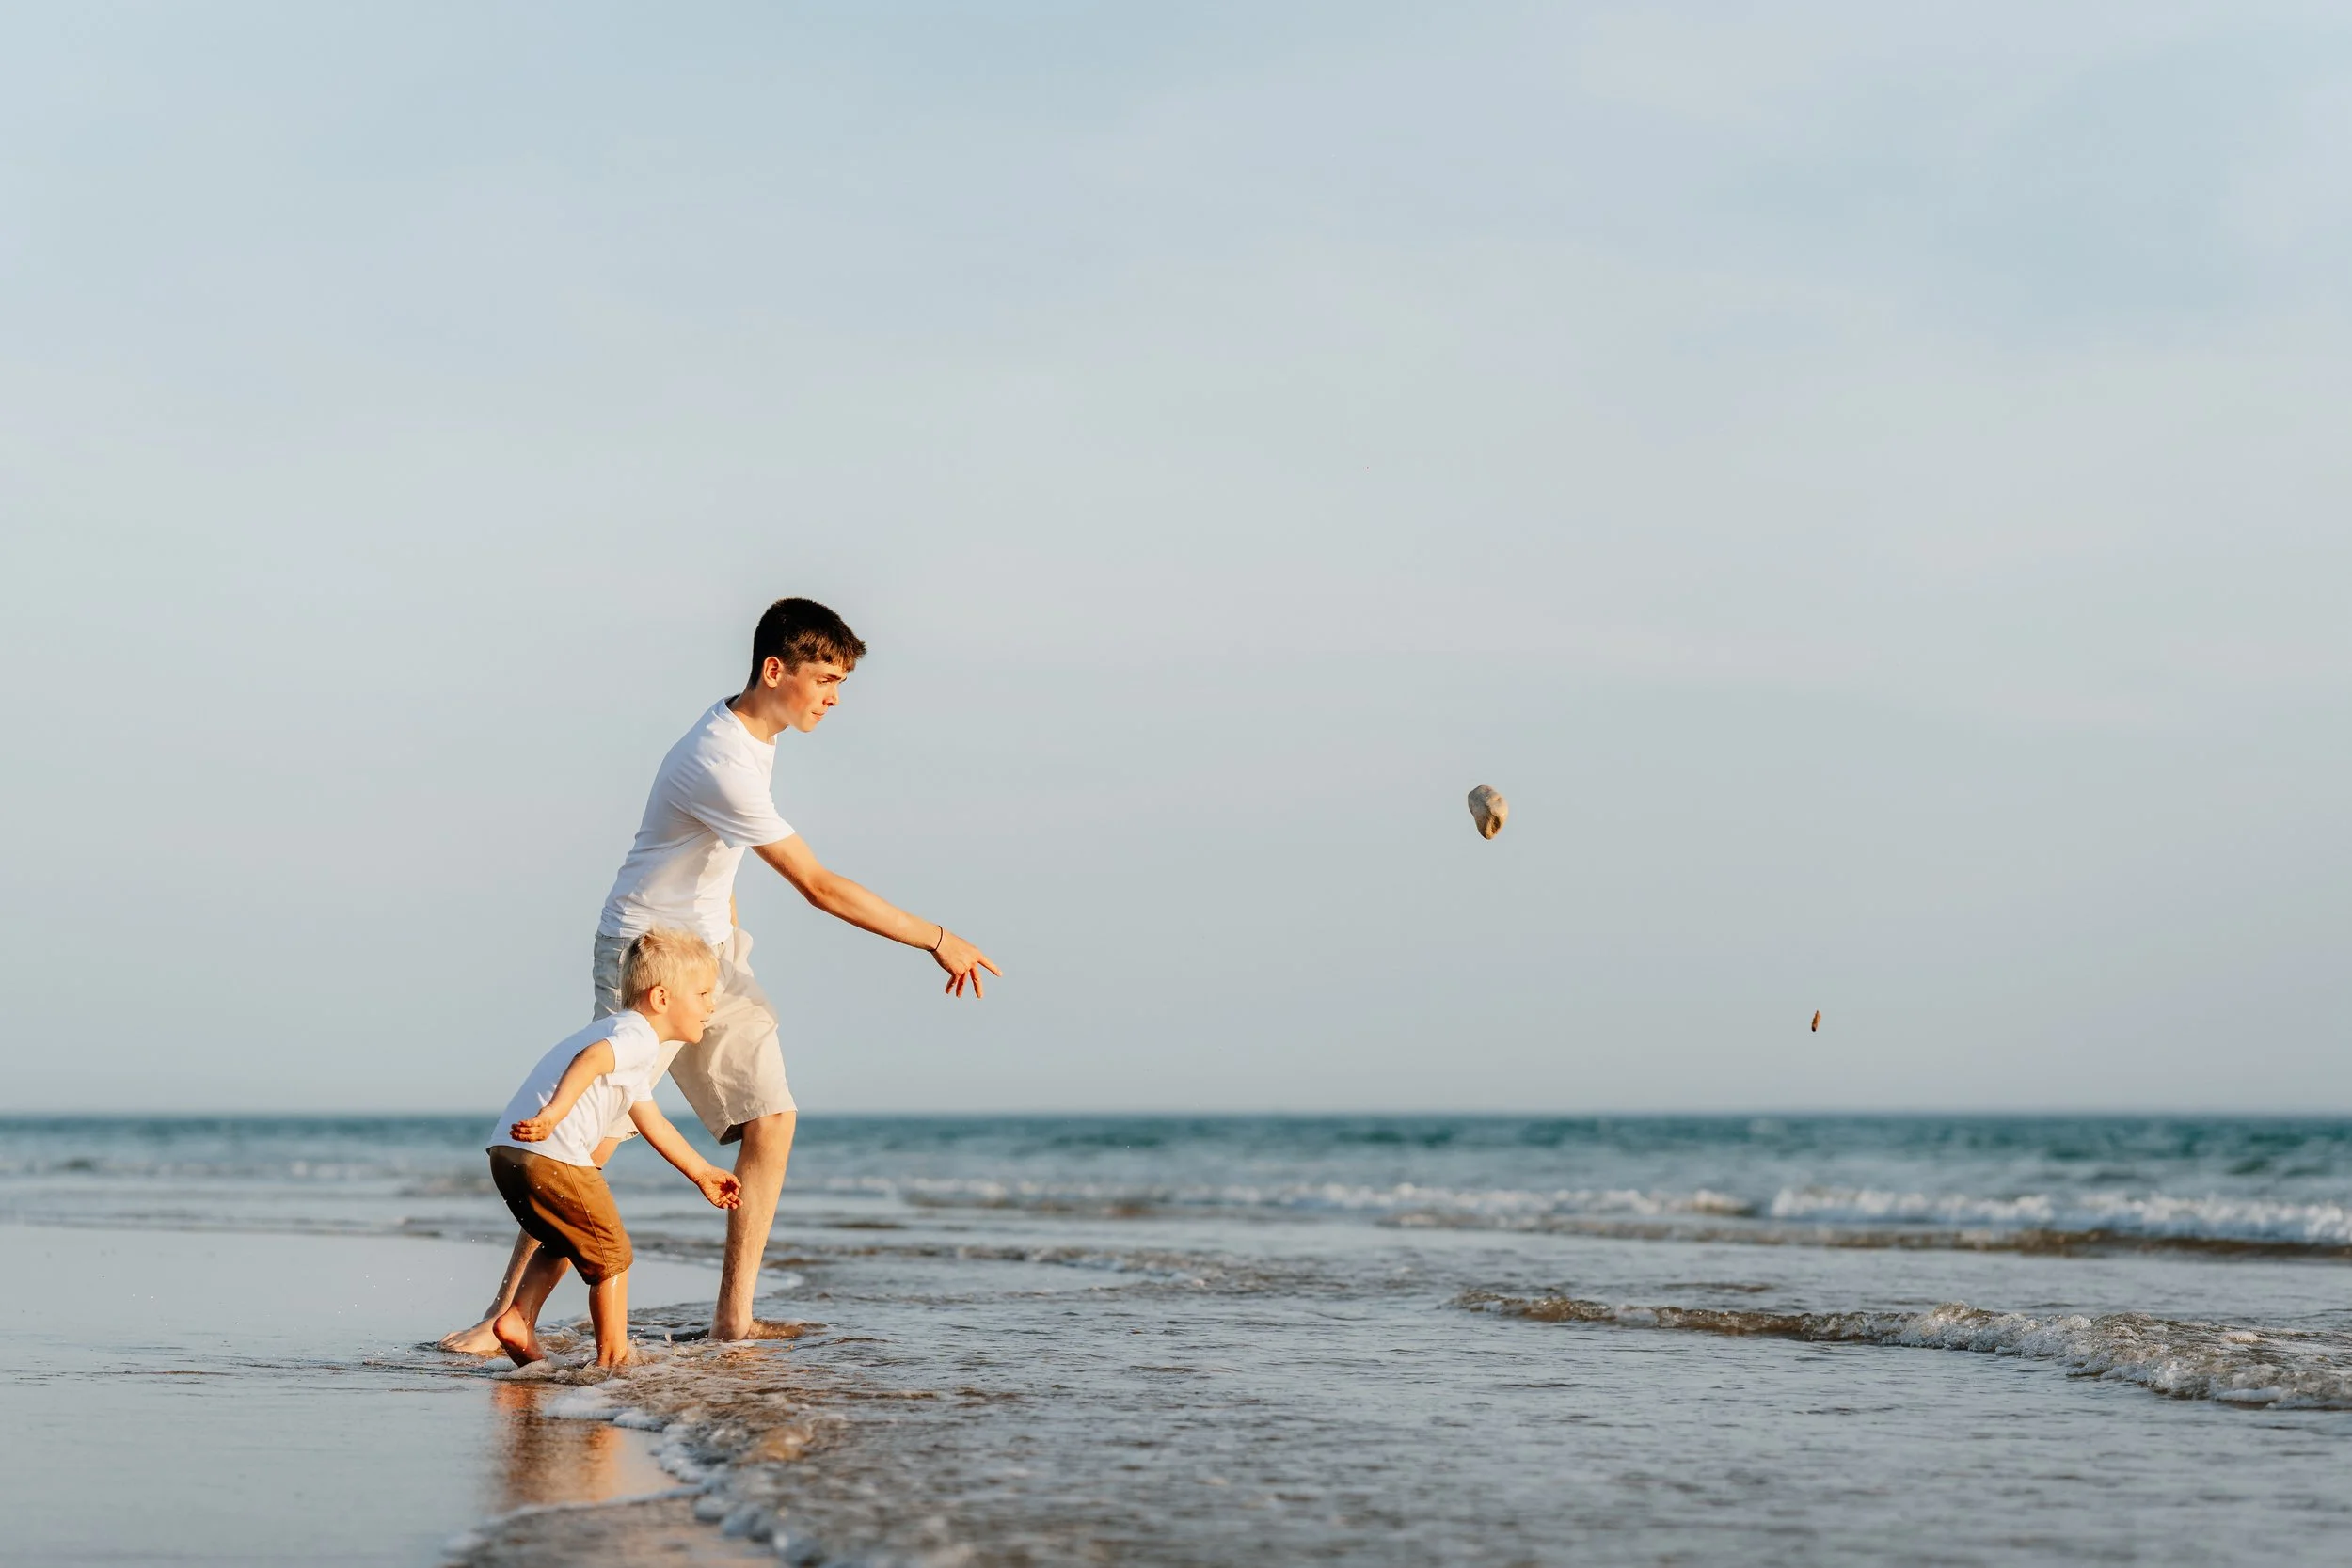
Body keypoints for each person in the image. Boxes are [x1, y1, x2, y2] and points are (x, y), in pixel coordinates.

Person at [444, 597, 1000, 1352]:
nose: (835, 697)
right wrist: (937, 937)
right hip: (647, 955)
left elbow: (716, 856)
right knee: (596, 1136)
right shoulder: (720, 758)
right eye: (825, 678)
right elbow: (817, 885)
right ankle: (503, 1316)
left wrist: (731, 942)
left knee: (772, 1117)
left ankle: (732, 1319)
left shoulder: (755, 740)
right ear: (775, 670)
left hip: (709, 955)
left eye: (841, 682)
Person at [485, 927, 742, 1368]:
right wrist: (554, 1113)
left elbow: (651, 1121)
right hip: (552, 1152)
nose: (711, 1004)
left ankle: (518, 1319)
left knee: (562, 1239)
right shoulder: (636, 1036)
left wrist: (702, 1172)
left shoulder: (625, 1038)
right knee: (614, 1257)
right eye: (702, 994)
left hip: (508, 1154)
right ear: (661, 998)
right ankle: (613, 1360)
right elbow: (591, 1060)